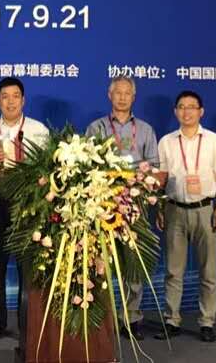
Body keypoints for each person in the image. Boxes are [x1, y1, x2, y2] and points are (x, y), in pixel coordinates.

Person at [0, 77, 49, 342]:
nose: (11, 101)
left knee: (28, 266)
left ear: (23, 100)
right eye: (5, 96)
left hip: (27, 202)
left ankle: (28, 325)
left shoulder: (38, 129)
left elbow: (48, 167)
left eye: (16, 96)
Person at [154, 90, 216, 343]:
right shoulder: (166, 142)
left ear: (201, 111)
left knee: (208, 271)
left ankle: (207, 322)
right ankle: (172, 320)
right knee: (173, 271)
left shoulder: (214, 141)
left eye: (191, 107)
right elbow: (161, 179)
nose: (186, 111)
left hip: (204, 210)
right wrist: (159, 208)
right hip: (174, 210)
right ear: (175, 111)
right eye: (181, 106)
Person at [85, 75, 159, 340]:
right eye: (118, 92)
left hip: (135, 204)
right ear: (110, 95)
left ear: (133, 97)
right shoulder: (96, 127)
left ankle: (131, 317)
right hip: (103, 203)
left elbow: (154, 167)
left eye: (127, 93)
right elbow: (87, 164)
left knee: (133, 262)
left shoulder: (146, 130)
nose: (122, 97)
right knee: (99, 260)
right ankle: (99, 316)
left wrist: (138, 180)